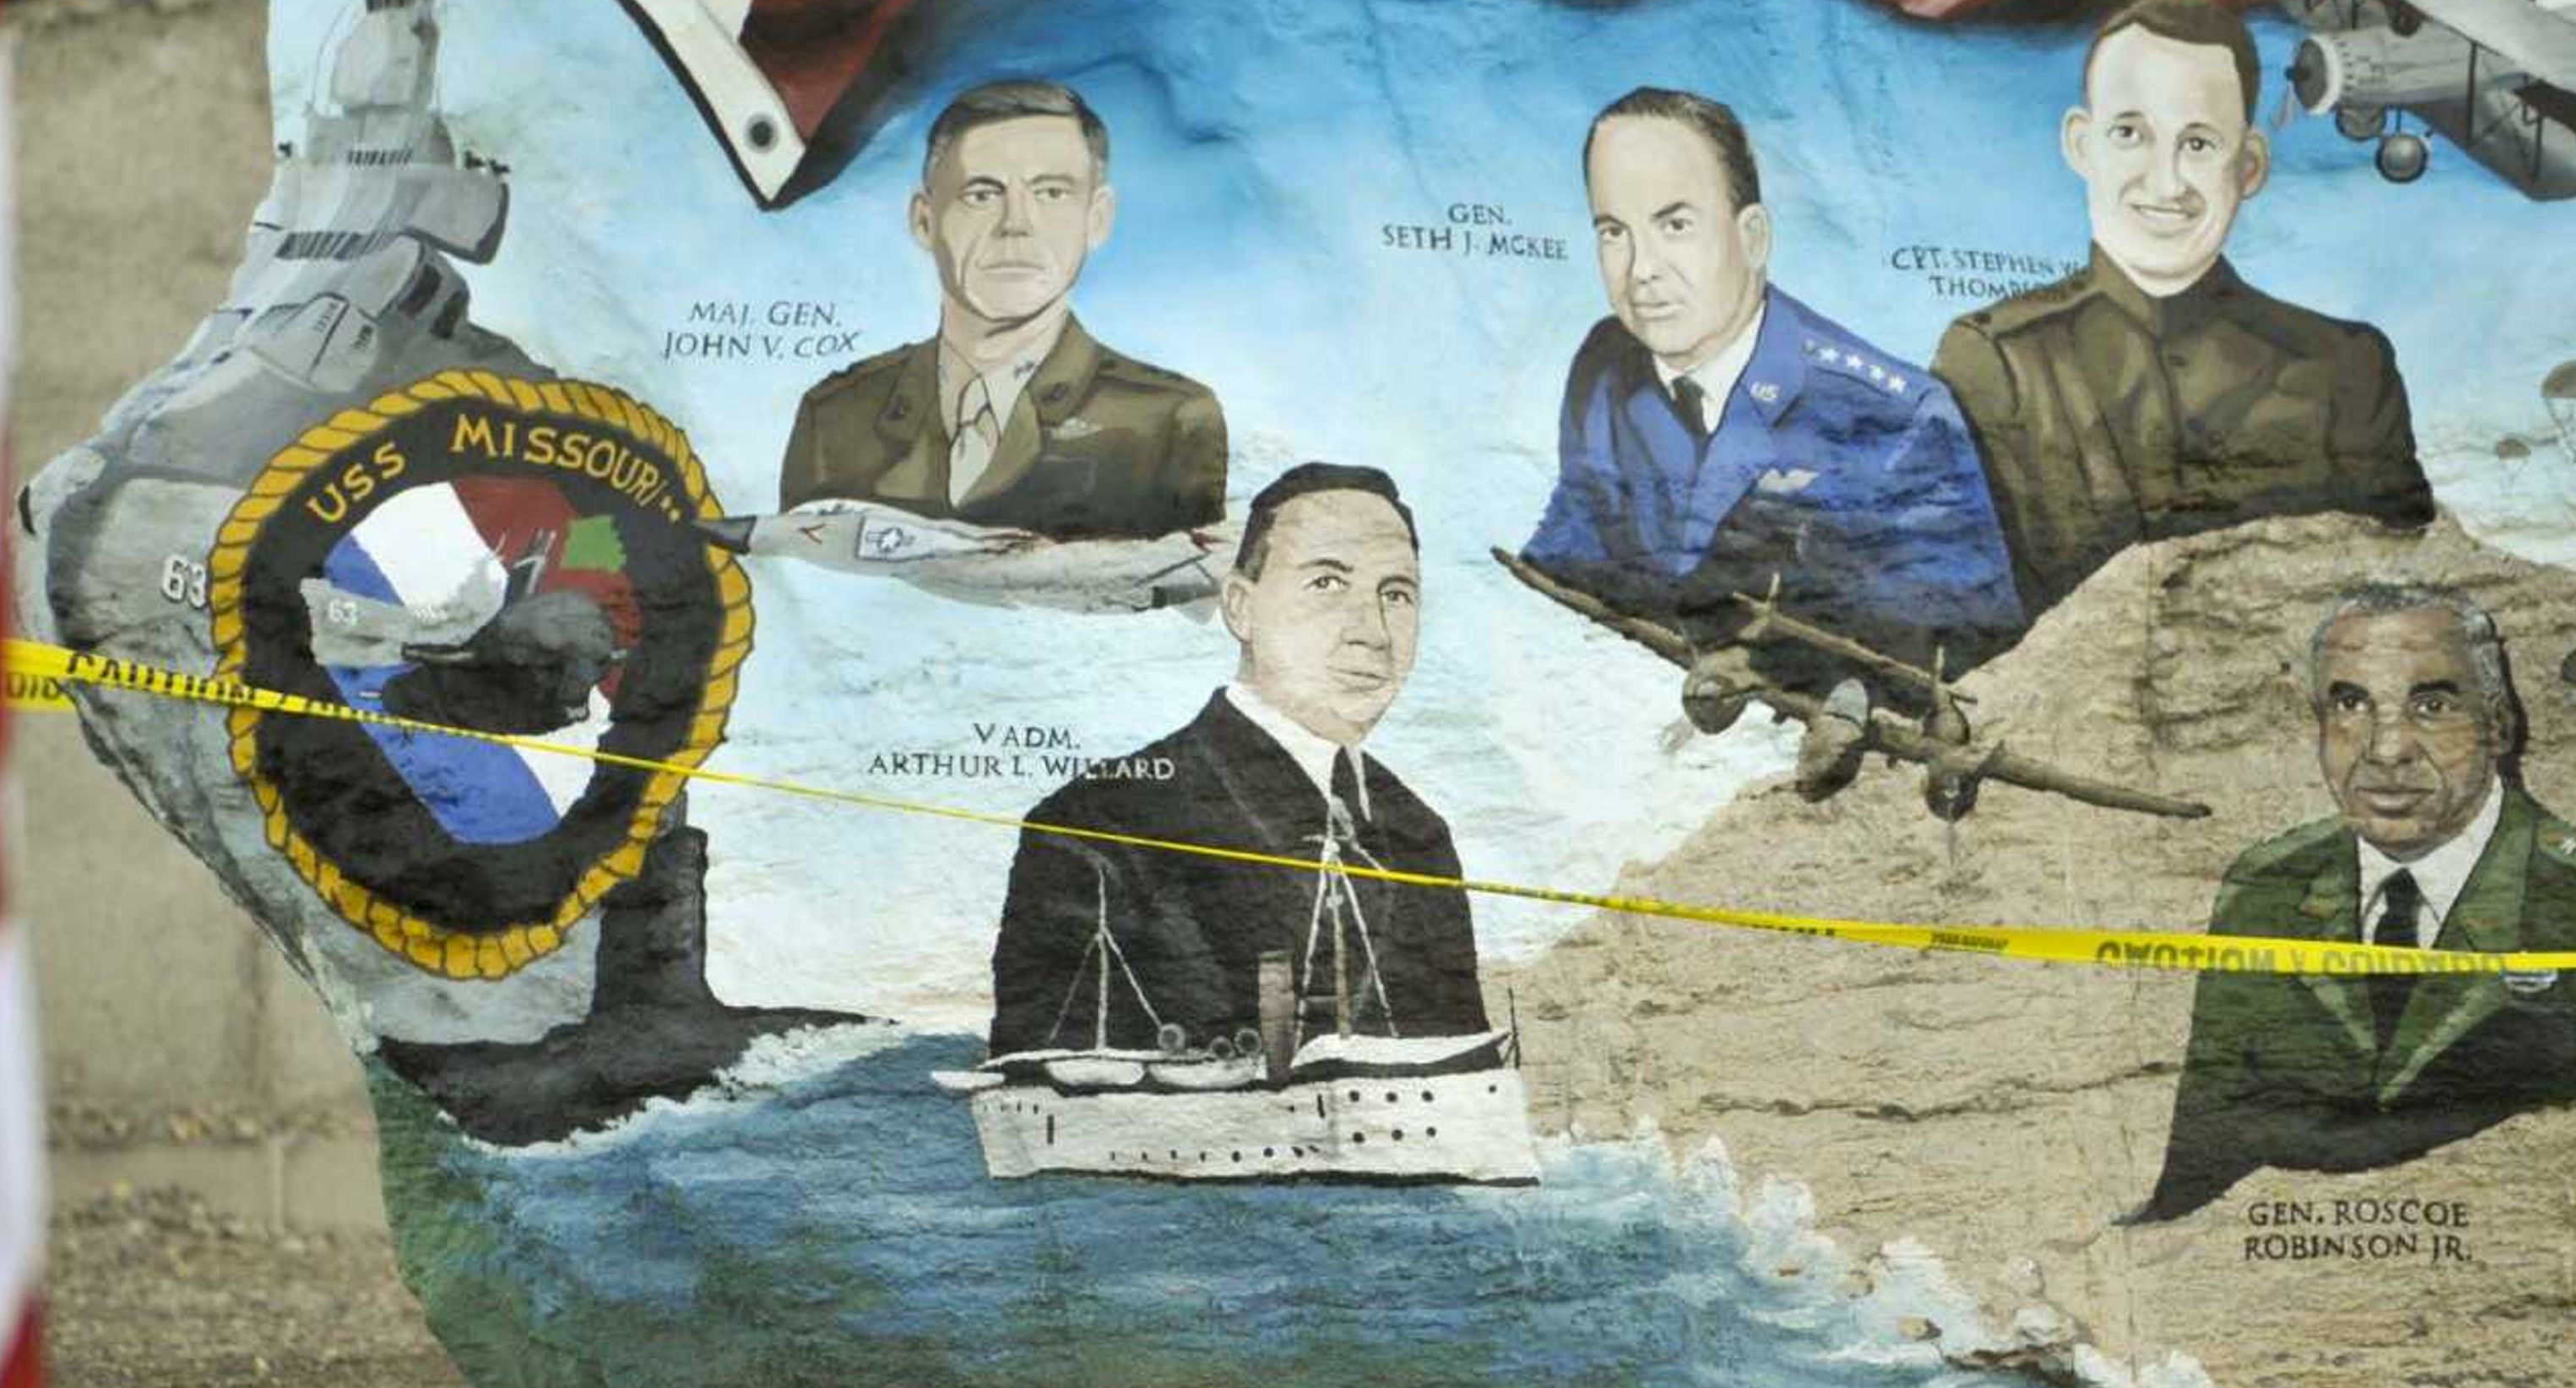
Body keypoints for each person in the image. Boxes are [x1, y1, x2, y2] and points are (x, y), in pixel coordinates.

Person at [2133, 584, 2576, 1222]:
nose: (2385, 749)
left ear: (2499, 726)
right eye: (2351, 703)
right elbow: (2210, 1137)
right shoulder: (2267, 888)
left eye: (2431, 704)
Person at [1935, 0, 2432, 617]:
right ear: (2081, 145)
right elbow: (1952, 605)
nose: (2165, 182)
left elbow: (2407, 599)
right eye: (2129, 134)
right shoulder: (1996, 363)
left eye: (2198, 143)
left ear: (2248, 165)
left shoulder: (2347, 369)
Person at [1520, 87, 2023, 685]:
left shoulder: (1898, 417)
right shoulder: (1606, 367)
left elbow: (1964, 660)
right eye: (1613, 232)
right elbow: (1569, 568)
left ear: (1753, 238)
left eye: (1674, 224)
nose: (1641, 269)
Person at [985, 464, 1487, 1056]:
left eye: (1396, 594)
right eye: (1327, 583)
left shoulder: (1418, 833)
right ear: (1241, 608)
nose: (1373, 633)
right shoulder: (1096, 826)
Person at [778, 80, 1224, 539]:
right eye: (981, 195)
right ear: (924, 220)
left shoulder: (1168, 423)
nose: (1016, 225)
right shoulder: (835, 418)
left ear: (1097, 219)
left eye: (1051, 193)